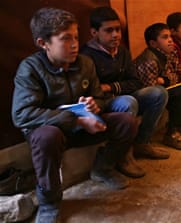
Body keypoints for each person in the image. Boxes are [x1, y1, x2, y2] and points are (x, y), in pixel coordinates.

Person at [11, 8, 138, 222]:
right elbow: (22, 114)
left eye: (76, 37)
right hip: (54, 133)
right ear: (44, 43)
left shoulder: (85, 63)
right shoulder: (30, 69)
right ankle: (50, 201)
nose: (74, 44)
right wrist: (76, 120)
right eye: (65, 38)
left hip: (83, 125)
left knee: (127, 122)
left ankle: (103, 168)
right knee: (46, 136)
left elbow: (98, 96)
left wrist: (94, 105)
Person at [80, 7, 170, 170]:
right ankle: (123, 154)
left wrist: (110, 86)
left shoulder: (122, 51)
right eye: (109, 30)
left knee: (158, 92)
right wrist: (114, 89)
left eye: (117, 29)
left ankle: (142, 143)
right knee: (128, 102)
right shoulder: (86, 56)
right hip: (105, 102)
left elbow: (135, 82)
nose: (115, 35)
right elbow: (94, 92)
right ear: (94, 33)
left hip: (122, 94)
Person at [133, 23, 181, 150]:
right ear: (153, 43)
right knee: (178, 93)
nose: (170, 40)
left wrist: (163, 80)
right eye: (165, 37)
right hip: (142, 97)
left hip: (159, 90)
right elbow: (150, 89)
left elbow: (176, 75)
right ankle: (170, 134)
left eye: (170, 36)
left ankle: (178, 127)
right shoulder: (150, 60)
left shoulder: (166, 54)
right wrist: (166, 80)